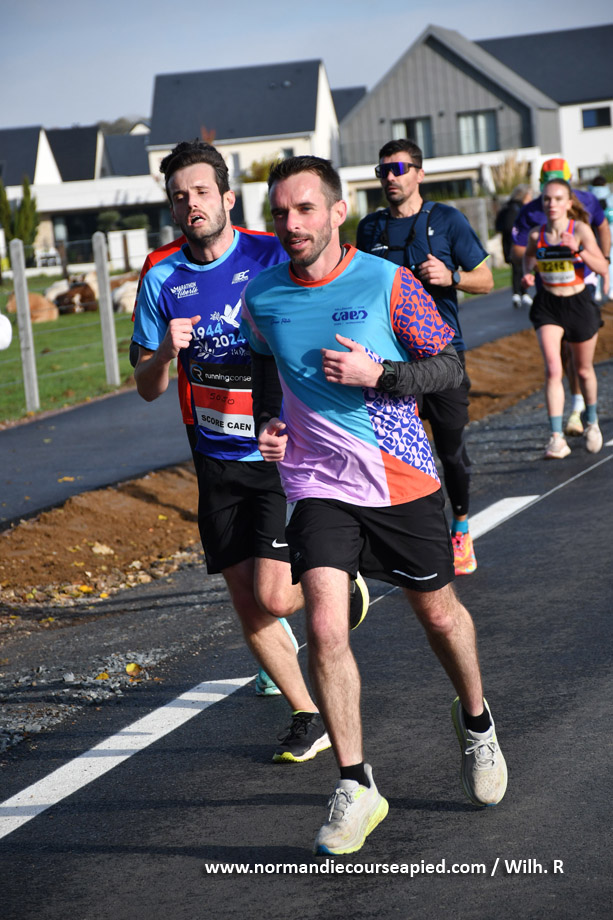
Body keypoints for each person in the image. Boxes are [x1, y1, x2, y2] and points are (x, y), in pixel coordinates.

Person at [241, 155, 507, 856]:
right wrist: (270, 420)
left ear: (337, 212)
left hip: (398, 479)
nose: (291, 224)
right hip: (316, 483)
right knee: (326, 626)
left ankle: (477, 724)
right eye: (280, 212)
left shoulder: (387, 282)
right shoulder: (262, 295)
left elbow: (448, 366)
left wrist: (377, 373)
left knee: (439, 616)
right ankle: (356, 784)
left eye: (305, 209)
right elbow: (263, 361)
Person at [132, 140, 368, 764]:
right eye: (179, 196)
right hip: (213, 457)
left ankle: (340, 582)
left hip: (277, 451)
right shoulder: (160, 275)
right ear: (172, 208)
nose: (191, 204)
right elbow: (147, 386)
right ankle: (308, 713)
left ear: (227, 198)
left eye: (201, 191)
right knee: (246, 600)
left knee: (276, 597)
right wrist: (166, 352)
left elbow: (322, 305)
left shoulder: (271, 252)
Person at [356, 138, 494, 576]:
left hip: (441, 356)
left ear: (420, 173)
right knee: (396, 453)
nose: (390, 177)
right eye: (383, 170)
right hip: (390, 364)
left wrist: (451, 276)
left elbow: (487, 280)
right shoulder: (369, 229)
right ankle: (406, 537)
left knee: (450, 451)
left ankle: (461, 525)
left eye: (398, 168)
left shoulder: (447, 220)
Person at [512, 158, 611, 438]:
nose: (551, 204)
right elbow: (524, 255)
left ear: (569, 201)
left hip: (579, 295)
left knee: (583, 368)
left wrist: (580, 251)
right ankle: (556, 437)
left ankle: (590, 418)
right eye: (547, 198)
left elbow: (603, 260)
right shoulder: (535, 230)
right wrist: (528, 275)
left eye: (558, 198)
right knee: (554, 367)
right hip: (548, 302)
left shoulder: (581, 224)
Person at [494, 184, 533, 308]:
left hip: (507, 241)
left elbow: (498, 225)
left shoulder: (506, 206)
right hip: (518, 241)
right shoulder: (519, 208)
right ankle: (522, 293)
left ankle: (517, 293)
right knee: (520, 266)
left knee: (516, 268)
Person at [588, 175, 613, 298]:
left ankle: (596, 290)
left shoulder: (589, 197)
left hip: (592, 233)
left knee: (594, 261)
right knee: (610, 261)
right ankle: (611, 289)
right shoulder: (610, 197)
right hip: (609, 233)